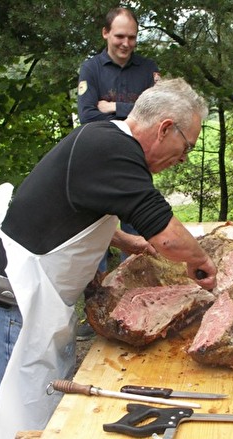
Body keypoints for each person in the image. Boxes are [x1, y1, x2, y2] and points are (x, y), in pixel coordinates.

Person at [0, 78, 217, 439]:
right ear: (165, 128)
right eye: (186, 146)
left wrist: (126, 239)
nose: (184, 157)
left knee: (43, 418)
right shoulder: (111, 150)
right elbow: (169, 235)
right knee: (21, 429)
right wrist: (202, 261)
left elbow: (71, 210)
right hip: (8, 312)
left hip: (28, 309)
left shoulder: (103, 139)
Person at [77, 8, 161, 340]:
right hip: (99, 166)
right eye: (119, 36)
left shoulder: (149, 69)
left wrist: (113, 108)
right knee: (97, 241)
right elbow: (87, 116)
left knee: (137, 240)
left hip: (137, 166)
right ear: (105, 34)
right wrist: (135, 112)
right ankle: (93, 314)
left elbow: (159, 115)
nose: (126, 43)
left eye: (132, 37)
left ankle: (133, 310)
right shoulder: (91, 68)